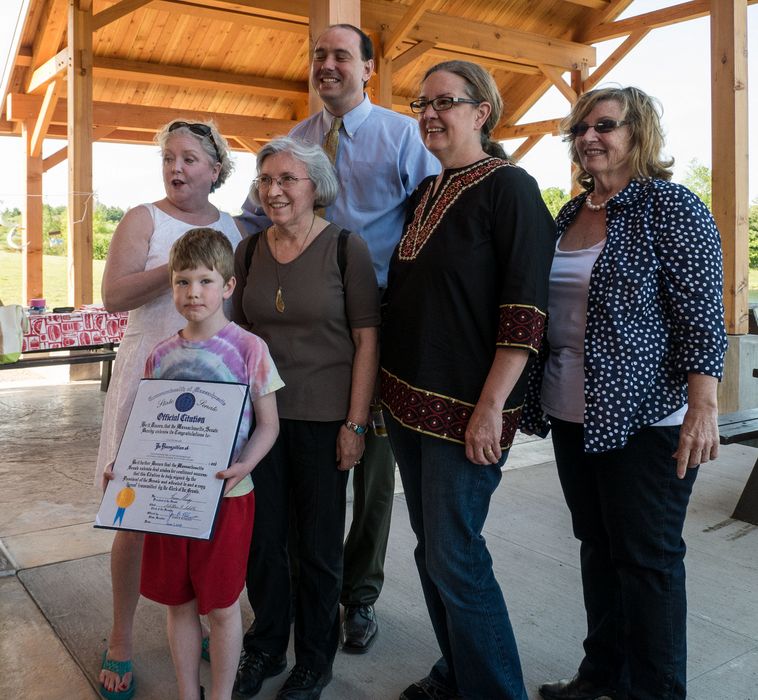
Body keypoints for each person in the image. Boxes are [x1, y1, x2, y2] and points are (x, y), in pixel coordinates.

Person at [236, 23, 439, 657]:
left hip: (380, 320)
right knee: (302, 470)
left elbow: (434, 211)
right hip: (305, 321)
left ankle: (360, 597)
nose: (328, 65)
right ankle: (302, 594)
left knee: (369, 473)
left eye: (341, 56)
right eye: (319, 55)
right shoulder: (291, 143)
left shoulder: (403, 136)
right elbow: (249, 221)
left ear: (368, 68)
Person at [520, 86, 728, 700]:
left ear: (639, 134)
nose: (589, 137)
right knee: (597, 548)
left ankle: (656, 691)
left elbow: (701, 316)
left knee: (647, 560)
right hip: (571, 411)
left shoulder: (670, 206)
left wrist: (703, 408)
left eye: (605, 125)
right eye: (580, 128)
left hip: (648, 418)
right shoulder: (568, 214)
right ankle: (601, 676)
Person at [381, 60, 555, 700]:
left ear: (481, 112)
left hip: (466, 412)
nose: (429, 113)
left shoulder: (512, 188)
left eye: (444, 102)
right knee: (434, 551)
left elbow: (525, 313)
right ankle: (457, 669)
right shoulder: (426, 192)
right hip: (406, 404)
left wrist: (491, 410)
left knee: (457, 557)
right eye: (420, 103)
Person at [96, 120, 243, 700]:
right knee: (134, 513)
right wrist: (181, 261)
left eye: (189, 159)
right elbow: (112, 296)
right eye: (168, 158)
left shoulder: (232, 227)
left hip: (208, 386)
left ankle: (206, 616)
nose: (176, 168)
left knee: (200, 507)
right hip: (147, 378)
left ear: (215, 169)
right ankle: (121, 639)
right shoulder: (144, 218)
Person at [231, 137, 380, 699]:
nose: (274, 190)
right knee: (263, 540)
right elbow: (240, 336)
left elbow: (367, 341)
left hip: (325, 421)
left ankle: (315, 659)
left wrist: (356, 424)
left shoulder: (347, 248)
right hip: (259, 421)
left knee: (318, 547)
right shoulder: (248, 252)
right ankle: (266, 644)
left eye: (288, 179)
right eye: (266, 179)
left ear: (316, 187)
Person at [126, 227, 281, 700]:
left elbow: (269, 425)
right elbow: (145, 431)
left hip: (228, 499)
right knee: (179, 603)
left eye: (205, 281)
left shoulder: (250, 350)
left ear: (228, 286)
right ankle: (187, 693)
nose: (193, 292)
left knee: (223, 606)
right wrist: (125, 470)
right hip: (169, 501)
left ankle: (220, 695)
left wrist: (243, 467)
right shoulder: (160, 355)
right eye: (182, 281)